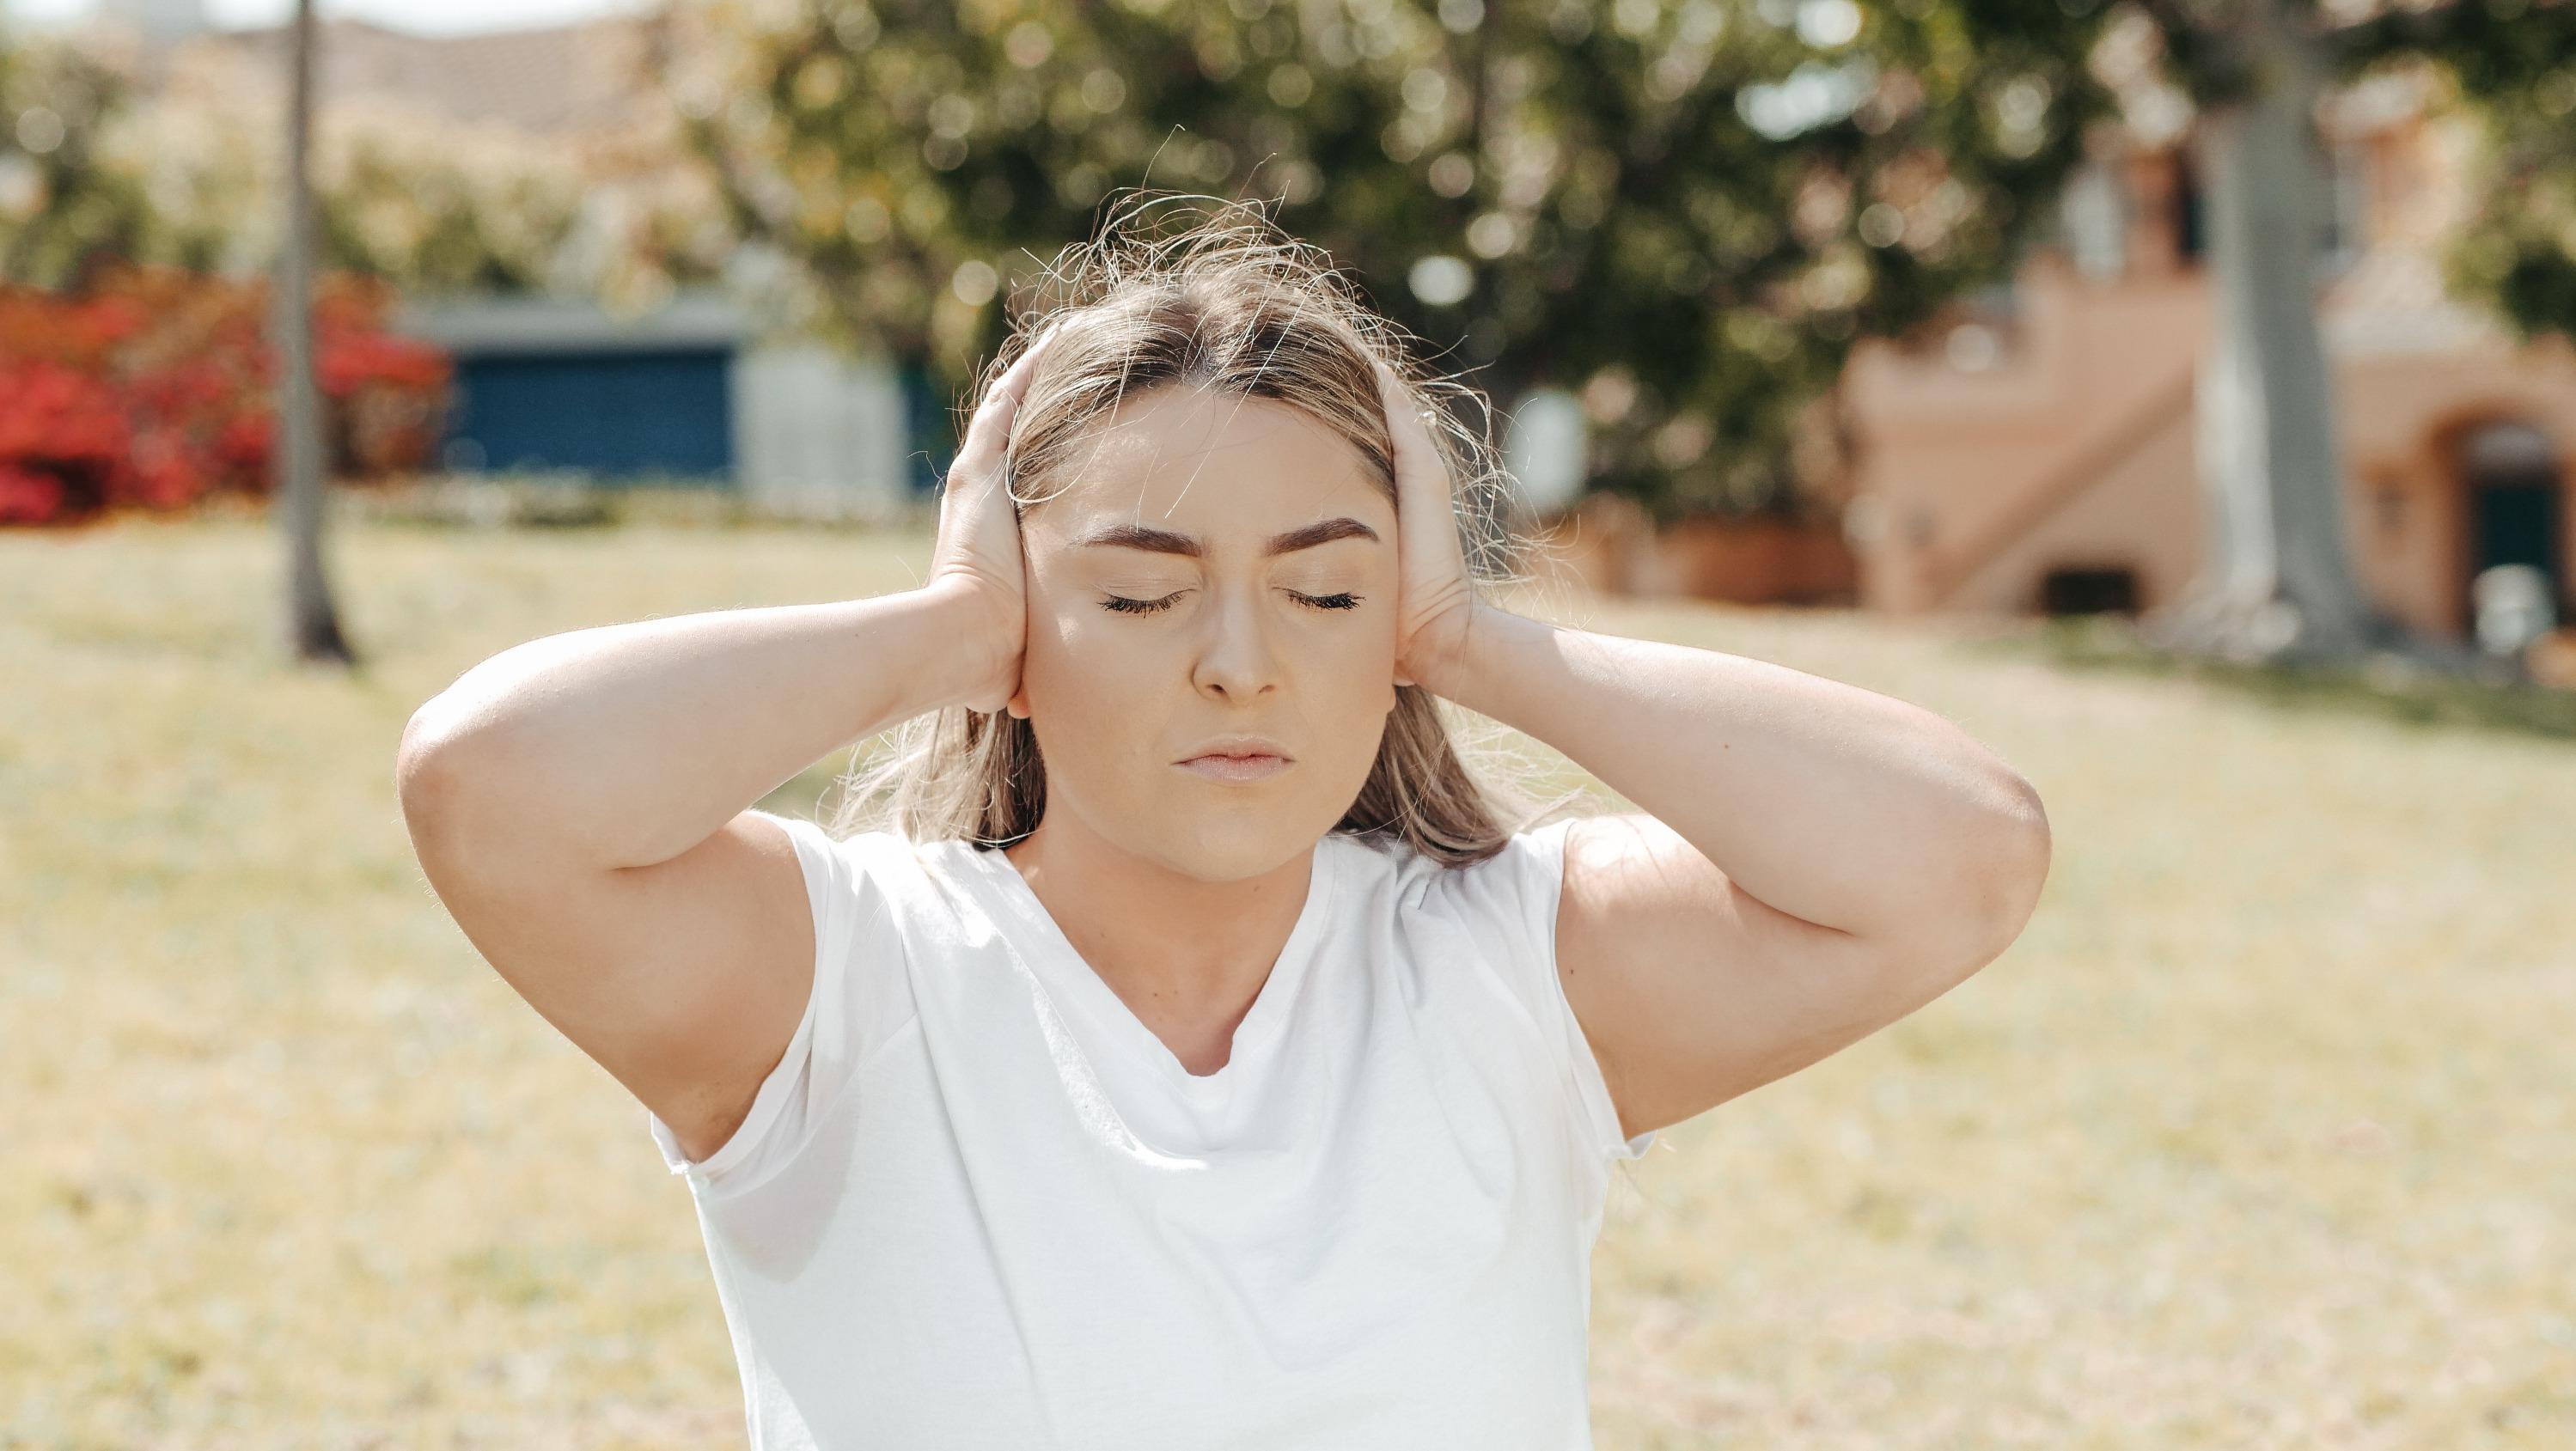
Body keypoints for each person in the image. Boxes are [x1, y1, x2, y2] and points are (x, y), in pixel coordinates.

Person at [394, 201, 2051, 1449]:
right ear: (1026, 616)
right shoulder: (838, 979)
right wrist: (956, 631)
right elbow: (491, 784)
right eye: (1137, 591)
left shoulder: (1517, 964)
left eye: (1328, 588)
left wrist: (1466, 639)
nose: (1242, 666)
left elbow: (1959, 855)